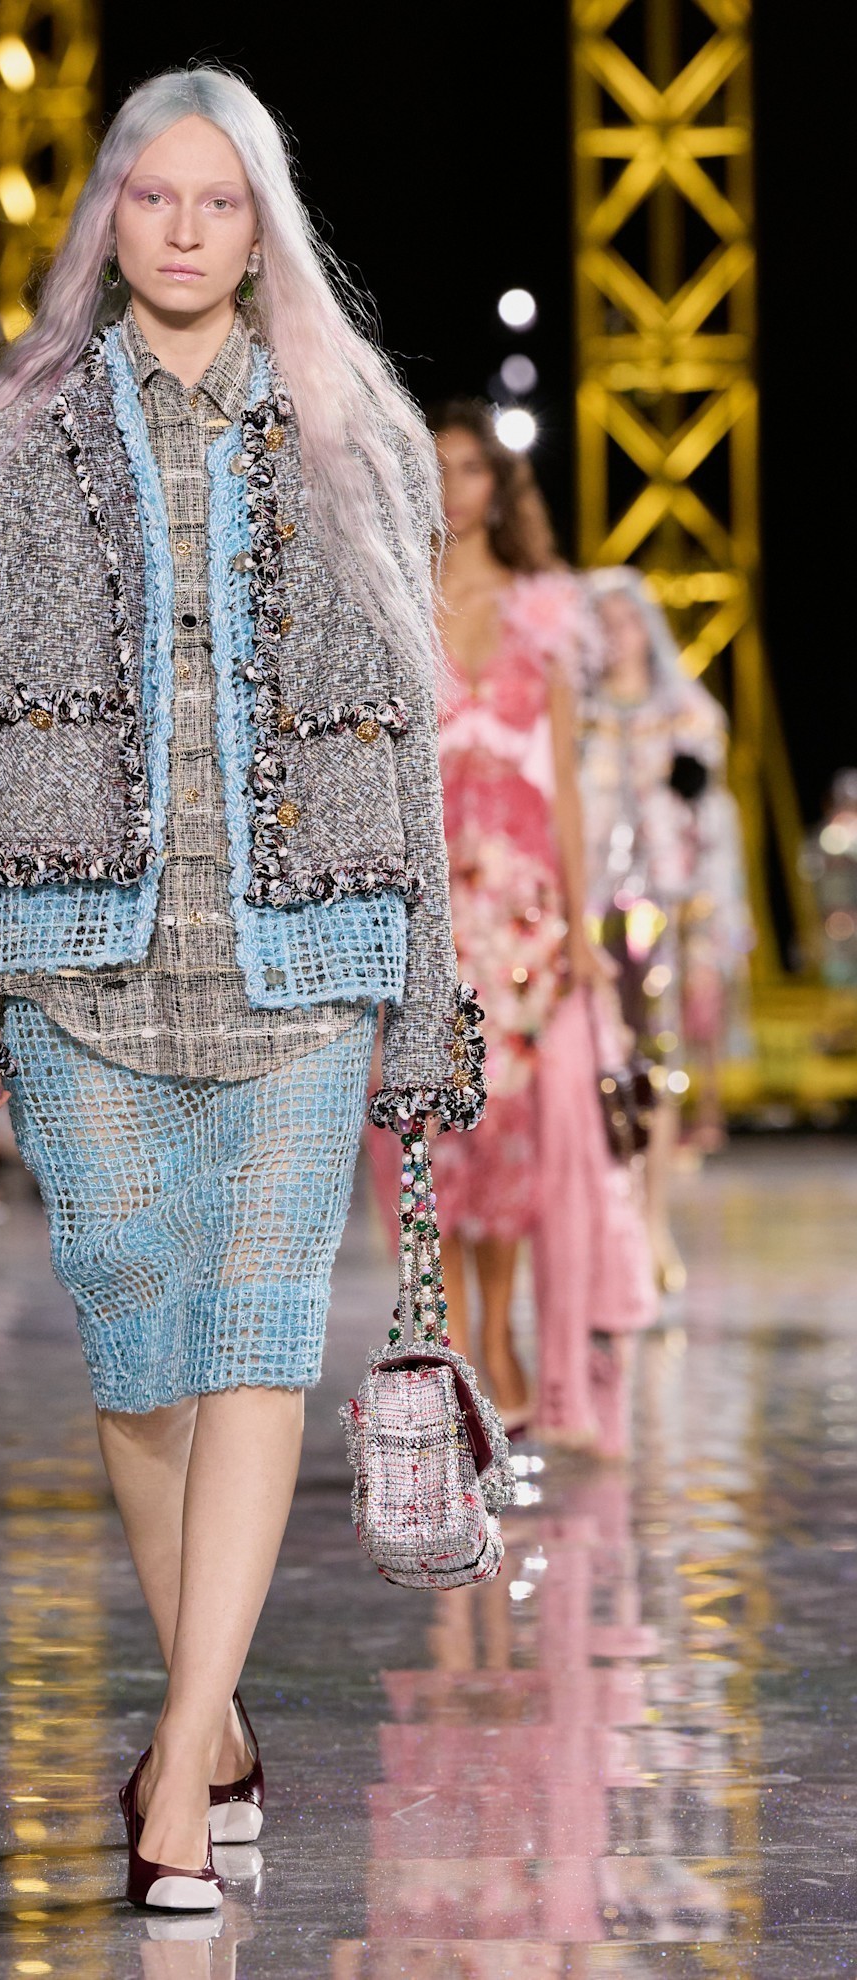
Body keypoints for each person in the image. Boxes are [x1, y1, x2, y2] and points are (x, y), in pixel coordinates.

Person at [0, 67, 484, 1911]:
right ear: (110, 218)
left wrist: (431, 994)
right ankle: (205, 1729)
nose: (185, 229)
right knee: (140, 1350)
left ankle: (173, 1785)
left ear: (263, 226)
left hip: (313, 954)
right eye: (154, 195)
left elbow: (414, 742)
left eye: (221, 200)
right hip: (74, 951)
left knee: (258, 1337)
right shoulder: (16, 440)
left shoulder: (357, 434)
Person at [419, 402, 603, 1434]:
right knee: (432, 1123)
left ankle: (499, 1328)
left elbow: (566, 783)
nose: (456, 486)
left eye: (472, 467)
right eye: (439, 466)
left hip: (521, 911)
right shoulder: (398, 597)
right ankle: (451, 1343)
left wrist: (583, 923)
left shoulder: (545, 608)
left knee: (507, 1126)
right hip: (427, 908)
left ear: (499, 484)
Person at [579, 567, 753, 1281]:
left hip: (662, 913)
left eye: (626, 620)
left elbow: (711, 829)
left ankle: (651, 1226)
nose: (614, 636)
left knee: (659, 1062)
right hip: (586, 915)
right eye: (602, 623)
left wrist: (712, 930)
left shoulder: (688, 717)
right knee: (591, 1065)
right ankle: (604, 1225)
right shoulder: (575, 715)